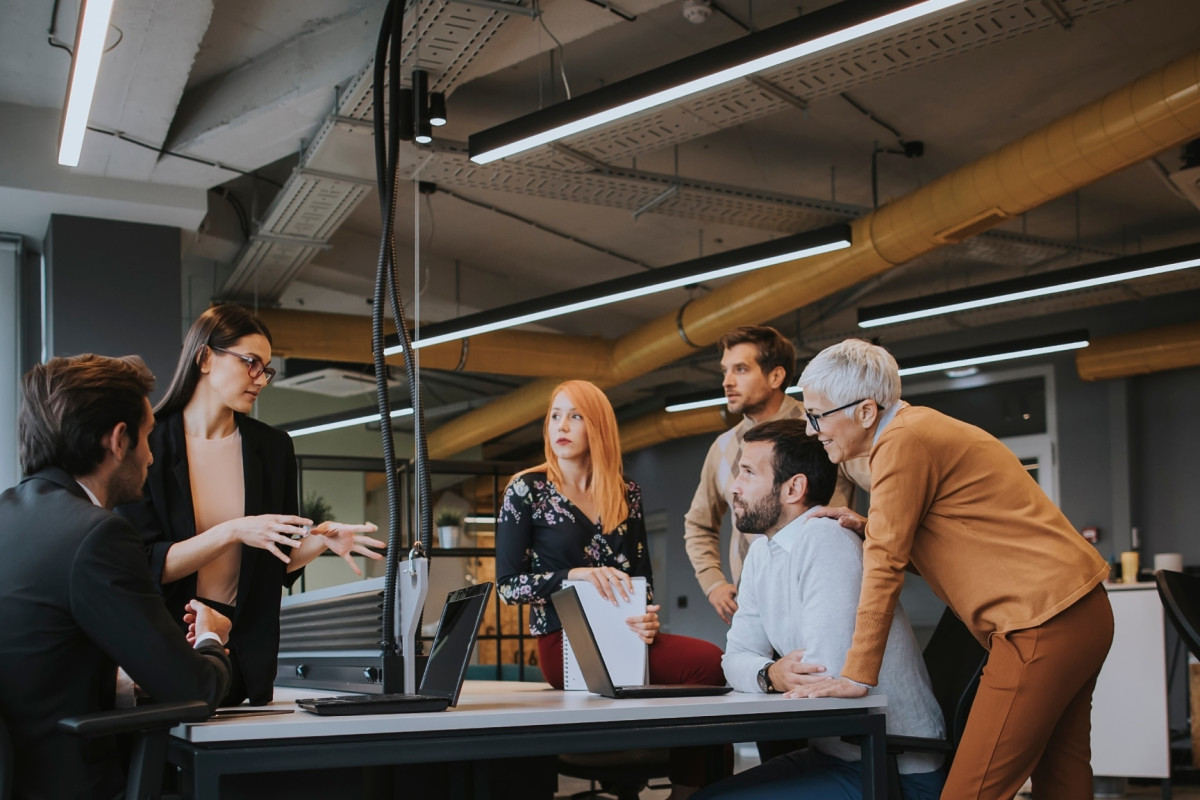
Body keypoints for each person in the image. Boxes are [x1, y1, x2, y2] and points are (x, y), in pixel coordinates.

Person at [794, 339, 1112, 799]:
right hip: (1083, 612)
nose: (812, 430)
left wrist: (857, 674)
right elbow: (956, 545)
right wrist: (870, 526)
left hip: (1040, 623)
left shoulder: (901, 442)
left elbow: (886, 566)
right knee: (1061, 776)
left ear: (865, 411)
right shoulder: (919, 430)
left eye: (818, 416)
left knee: (971, 791)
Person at [117, 305, 385, 706]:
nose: (261, 379)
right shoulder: (149, 443)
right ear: (206, 357)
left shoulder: (273, 448)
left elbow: (271, 565)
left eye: (267, 369)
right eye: (251, 363)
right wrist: (233, 530)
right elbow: (147, 565)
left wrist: (319, 540)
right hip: (168, 647)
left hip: (245, 651)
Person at [0, 354, 233, 800]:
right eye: (147, 437)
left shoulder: (11, 518)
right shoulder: (95, 535)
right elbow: (194, 692)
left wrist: (121, 681)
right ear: (118, 439)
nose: (150, 456)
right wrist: (212, 640)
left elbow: (38, 664)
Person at [496, 379, 729, 794]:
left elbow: (642, 578)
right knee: (708, 662)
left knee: (715, 664)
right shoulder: (526, 489)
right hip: (565, 642)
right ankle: (693, 787)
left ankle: (691, 788)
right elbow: (508, 587)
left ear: (598, 426)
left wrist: (648, 619)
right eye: (554, 415)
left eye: (575, 416)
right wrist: (574, 575)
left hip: (625, 634)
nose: (560, 426)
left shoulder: (627, 494)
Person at [695, 420, 945, 800]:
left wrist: (771, 674)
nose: (734, 488)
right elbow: (735, 659)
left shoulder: (826, 540)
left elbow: (822, 679)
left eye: (747, 473)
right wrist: (770, 674)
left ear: (794, 487)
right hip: (835, 755)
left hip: (894, 768)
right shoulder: (763, 553)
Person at [684, 325, 870, 625]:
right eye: (725, 371)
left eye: (741, 369)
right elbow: (698, 524)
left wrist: (871, 530)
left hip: (826, 596)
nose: (727, 382)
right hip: (757, 606)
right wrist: (713, 583)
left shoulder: (822, 428)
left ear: (776, 376)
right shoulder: (721, 448)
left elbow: (887, 484)